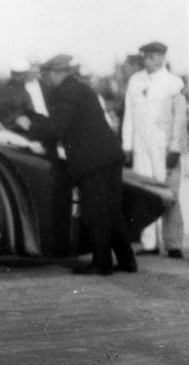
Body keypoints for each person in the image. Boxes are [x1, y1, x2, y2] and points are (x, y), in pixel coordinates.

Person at [15, 54, 136, 276]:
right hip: (109, 154)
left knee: (94, 211)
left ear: (56, 73)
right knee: (112, 210)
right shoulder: (80, 89)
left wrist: (29, 125)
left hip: (91, 159)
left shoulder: (64, 92)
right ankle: (127, 260)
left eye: (46, 75)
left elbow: (57, 127)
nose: (44, 80)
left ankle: (102, 263)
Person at [121, 41, 187, 257]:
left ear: (163, 58)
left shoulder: (174, 82)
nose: (153, 60)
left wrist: (175, 147)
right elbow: (129, 114)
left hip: (164, 146)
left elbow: (179, 118)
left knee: (169, 193)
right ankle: (149, 242)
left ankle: (173, 243)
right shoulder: (135, 80)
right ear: (144, 58)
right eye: (149, 57)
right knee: (145, 193)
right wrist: (127, 145)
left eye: (157, 56)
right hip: (141, 146)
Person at [0, 59, 38, 132]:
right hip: (17, 133)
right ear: (24, 75)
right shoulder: (23, 93)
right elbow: (31, 115)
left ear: (11, 73)